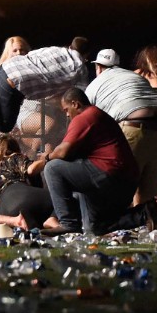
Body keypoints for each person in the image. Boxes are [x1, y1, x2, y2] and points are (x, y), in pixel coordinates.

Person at [40, 88, 139, 235]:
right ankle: (143, 215)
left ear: (75, 104)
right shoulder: (98, 114)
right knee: (93, 229)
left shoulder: (85, 117)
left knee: (52, 168)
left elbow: (62, 152)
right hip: (126, 180)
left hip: (110, 173)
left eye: (66, 109)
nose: (67, 115)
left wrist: (46, 157)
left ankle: (68, 223)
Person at [84, 48, 157, 204]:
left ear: (98, 67)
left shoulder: (94, 85)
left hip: (135, 124)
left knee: (120, 183)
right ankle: (148, 223)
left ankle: (120, 225)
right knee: (146, 192)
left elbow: (84, 123)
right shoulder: (133, 76)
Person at [0, 43, 88, 133]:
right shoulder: (81, 68)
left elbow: (33, 54)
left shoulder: (55, 49)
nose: (19, 52)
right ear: (86, 57)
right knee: (6, 126)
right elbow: (82, 98)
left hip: (6, 69)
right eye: (15, 50)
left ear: (70, 46)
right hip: (15, 83)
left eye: (21, 49)